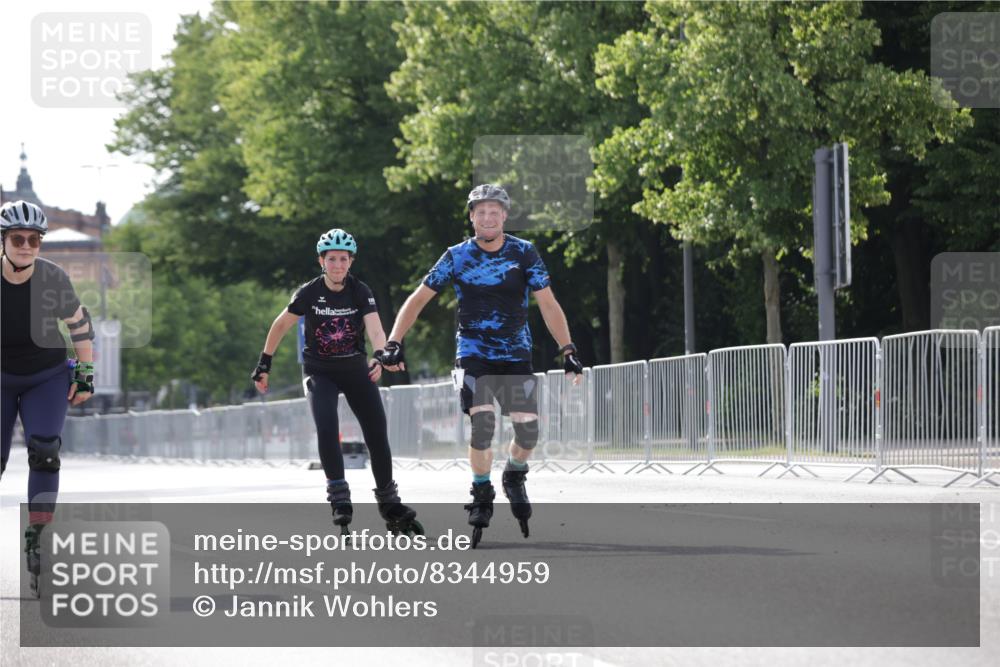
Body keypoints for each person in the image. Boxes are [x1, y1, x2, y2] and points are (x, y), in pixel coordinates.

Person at [380, 184, 583, 547]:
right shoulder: (456, 257)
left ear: (504, 216)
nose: (488, 218)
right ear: (471, 217)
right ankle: (480, 490)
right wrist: (393, 342)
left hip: (515, 353)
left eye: (495, 211)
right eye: (481, 212)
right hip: (473, 352)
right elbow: (418, 299)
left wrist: (567, 349)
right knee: (483, 423)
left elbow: (548, 304)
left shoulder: (524, 253)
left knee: (528, 432)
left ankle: (514, 475)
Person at [252, 228, 422, 536]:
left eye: (344, 259)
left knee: (377, 433)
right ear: (321, 261)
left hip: (356, 369)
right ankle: (339, 498)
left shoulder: (360, 290)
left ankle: (389, 501)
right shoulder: (309, 292)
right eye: (332, 259)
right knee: (328, 428)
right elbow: (280, 325)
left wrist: (382, 356)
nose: (338, 265)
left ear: (351, 261)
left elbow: (375, 331)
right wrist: (265, 362)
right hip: (320, 372)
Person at [1, 200, 95, 596]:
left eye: (34, 240)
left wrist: (86, 375)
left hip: (46, 375)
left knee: (44, 450)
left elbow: (80, 326)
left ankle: (37, 539)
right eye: (18, 238)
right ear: (3, 241)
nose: (26, 246)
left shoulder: (52, 279)